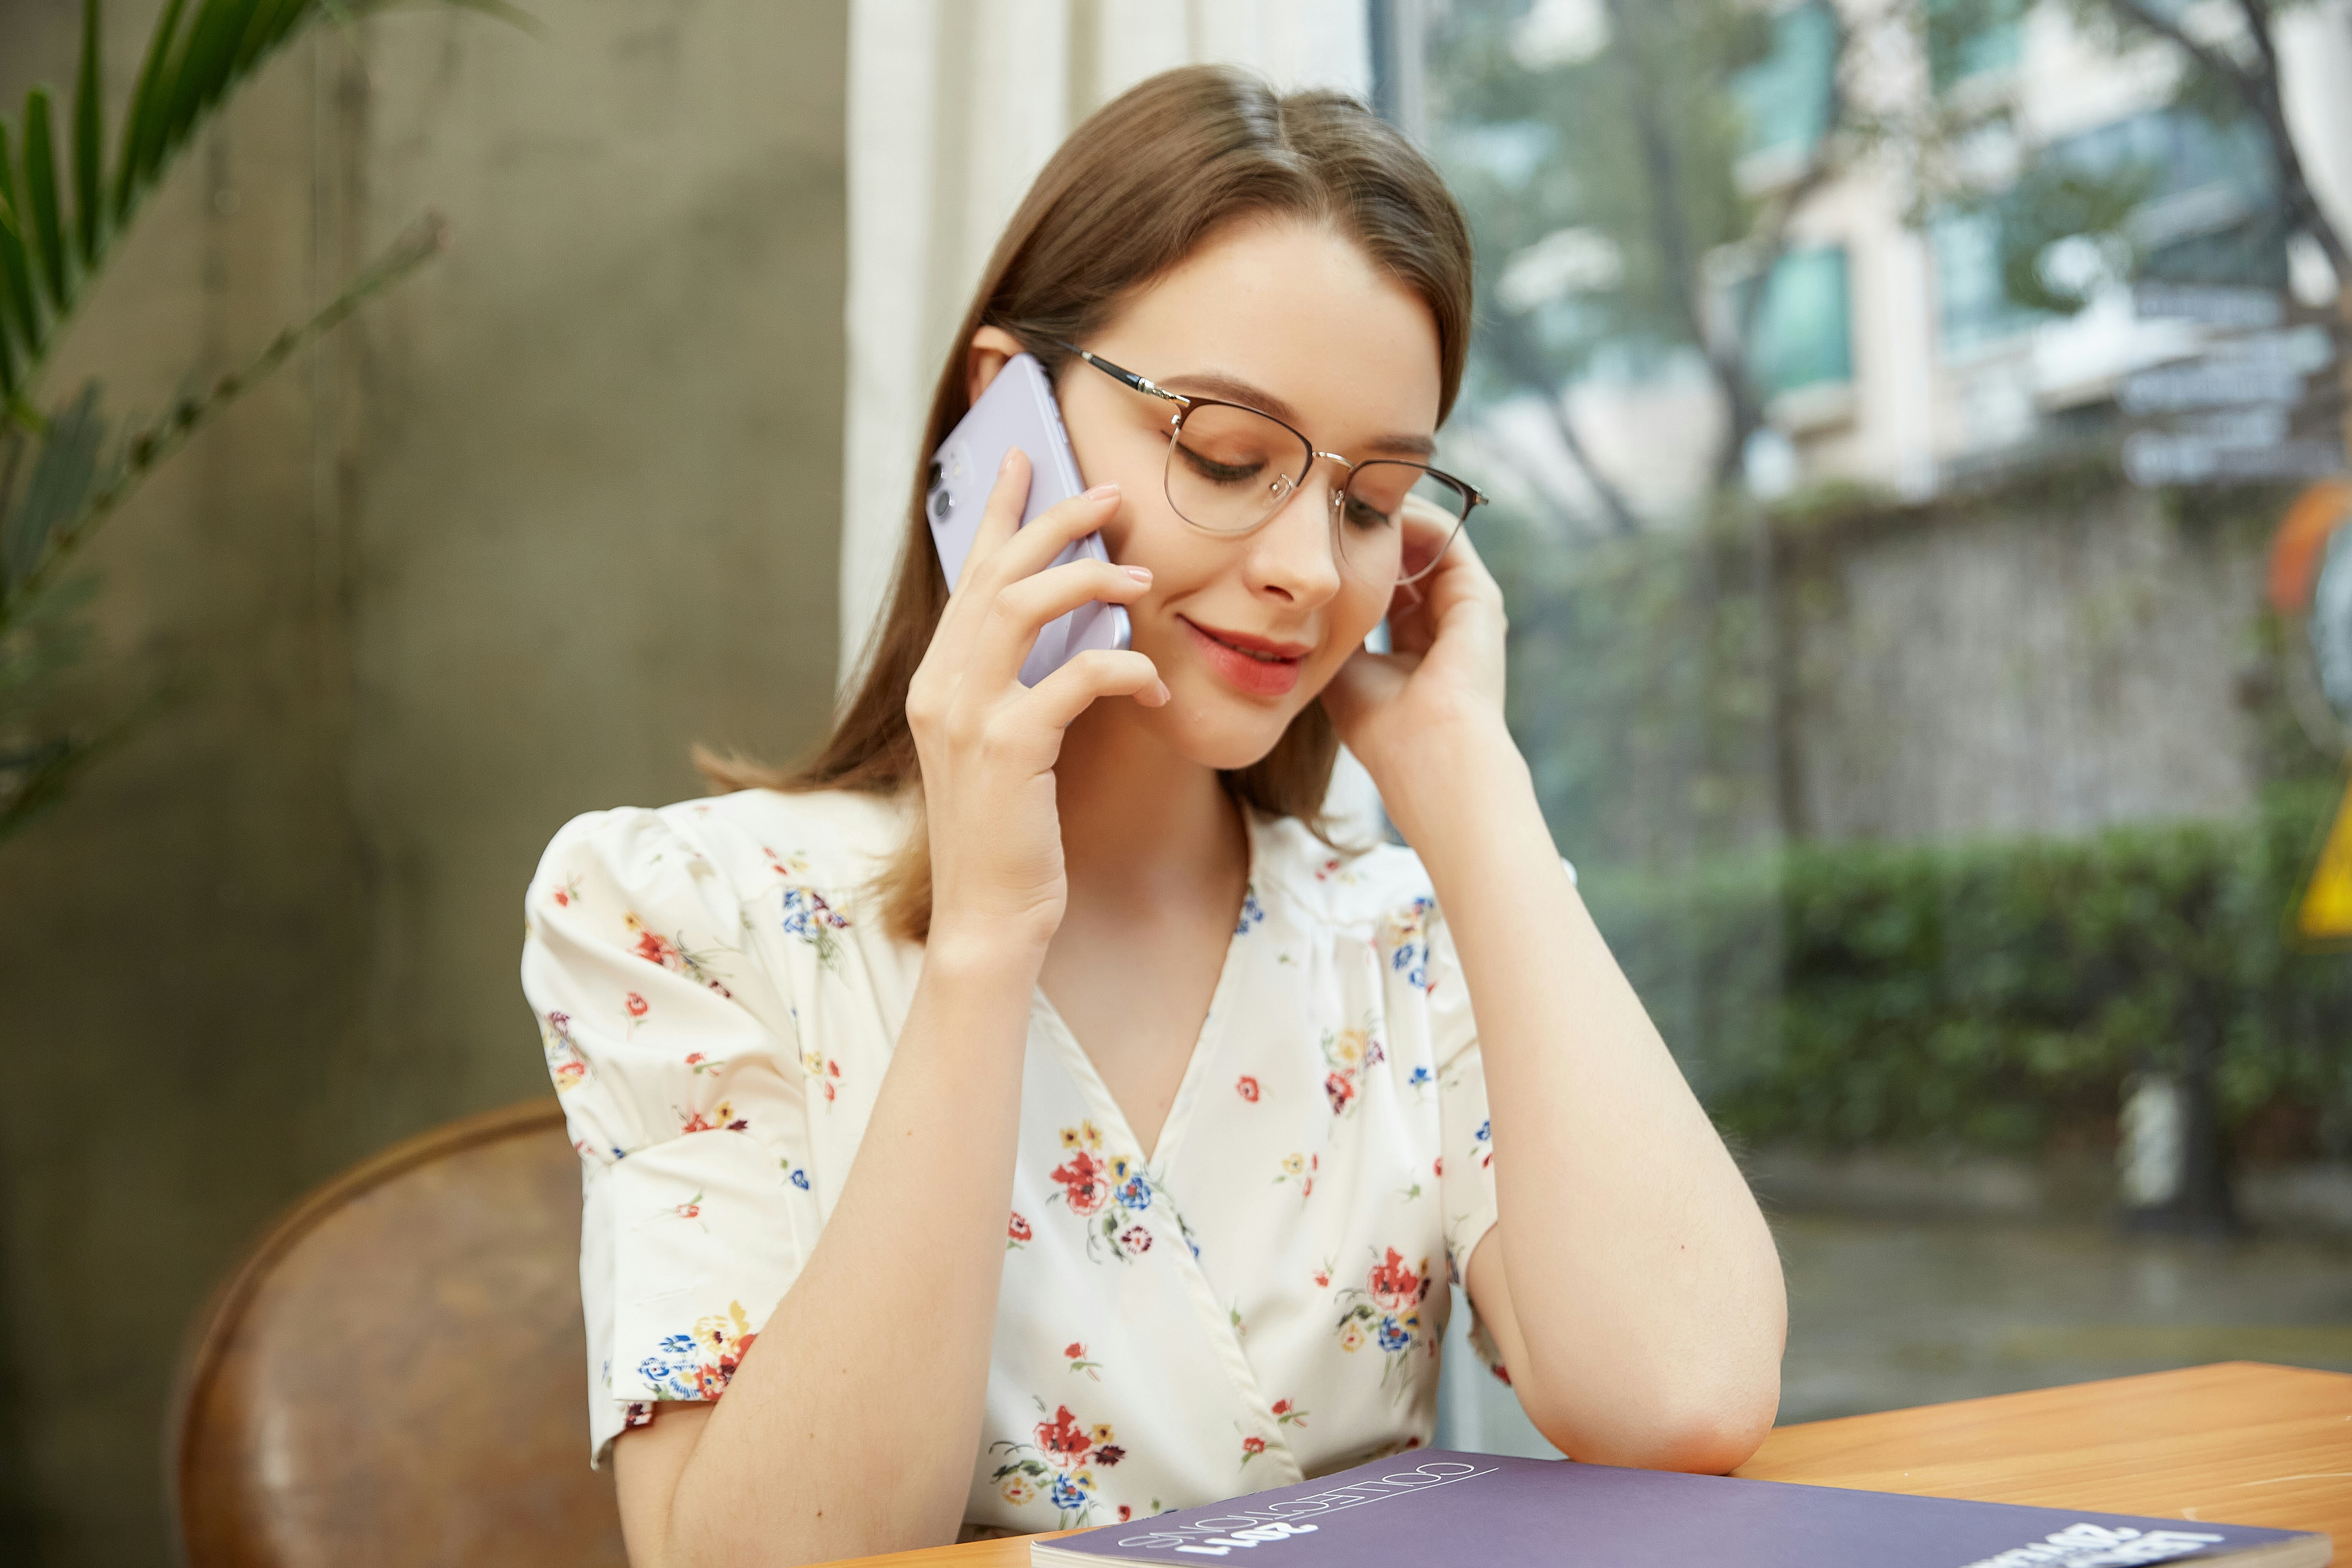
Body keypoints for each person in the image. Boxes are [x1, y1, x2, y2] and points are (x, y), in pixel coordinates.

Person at [519, 65, 1785, 1568]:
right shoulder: (687, 913)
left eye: (1372, 499)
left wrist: (1475, 790)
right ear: (1005, 417)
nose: (1313, 568)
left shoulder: (1400, 934)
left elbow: (1683, 1399)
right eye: (1229, 457)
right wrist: (989, 941)